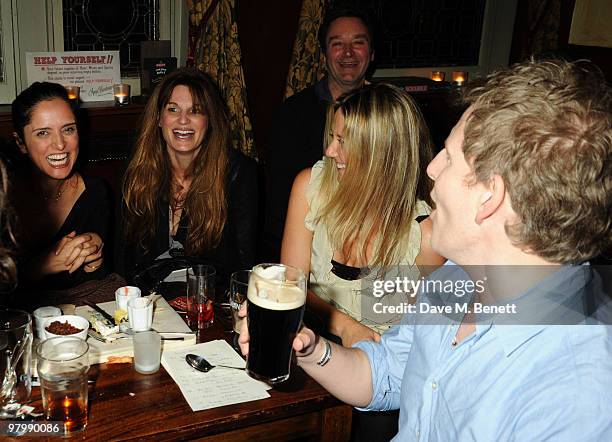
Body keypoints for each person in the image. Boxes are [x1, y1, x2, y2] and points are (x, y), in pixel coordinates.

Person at [241, 59, 612, 440]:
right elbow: (385, 373)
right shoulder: (455, 280)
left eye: (448, 157)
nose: (431, 168)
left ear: (491, 195)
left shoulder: (577, 389)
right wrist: (309, 347)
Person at [282, 83, 445, 441]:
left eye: (343, 142)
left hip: (381, 385)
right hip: (310, 346)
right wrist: (343, 322)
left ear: (383, 154)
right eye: (333, 137)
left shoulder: (425, 236)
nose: (329, 150)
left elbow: (417, 353)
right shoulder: (312, 187)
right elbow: (288, 288)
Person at [117, 68, 257, 283]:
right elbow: (125, 256)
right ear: (159, 118)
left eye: (195, 111)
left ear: (209, 120)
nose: (183, 120)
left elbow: (245, 265)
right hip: (149, 303)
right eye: (173, 109)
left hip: (210, 300)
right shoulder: (137, 169)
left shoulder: (239, 173)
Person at [262, 4, 375, 261]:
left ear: (372, 52)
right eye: (337, 44)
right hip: (309, 253)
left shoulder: (391, 116)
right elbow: (279, 209)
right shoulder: (292, 115)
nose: (348, 52)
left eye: (358, 42)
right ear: (324, 54)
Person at [10, 82, 109, 290]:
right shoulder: (5, 198)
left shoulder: (96, 193)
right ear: (20, 142)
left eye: (68, 129)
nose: (60, 144)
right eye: (43, 133)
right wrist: (45, 265)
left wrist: (95, 256)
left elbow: (101, 278)